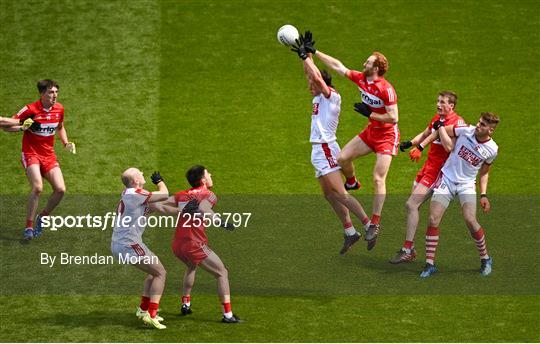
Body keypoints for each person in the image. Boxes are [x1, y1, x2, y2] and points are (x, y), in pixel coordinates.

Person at [299, 32, 399, 250]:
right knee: (337, 172)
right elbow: (337, 66)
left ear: (377, 68)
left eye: (368, 62)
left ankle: (371, 224)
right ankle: (350, 224)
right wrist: (312, 53)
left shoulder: (385, 89)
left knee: (376, 179)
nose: (364, 63)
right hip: (370, 131)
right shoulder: (361, 79)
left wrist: (305, 58)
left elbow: (393, 118)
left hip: (386, 135)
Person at [290, 39, 371, 255]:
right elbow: (312, 75)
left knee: (340, 194)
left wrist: (307, 57)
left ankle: (368, 224)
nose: (308, 85)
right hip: (319, 150)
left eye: (311, 83)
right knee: (329, 195)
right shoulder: (319, 96)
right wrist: (304, 57)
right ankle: (349, 231)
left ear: (320, 84)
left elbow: (316, 77)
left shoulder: (331, 96)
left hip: (325, 148)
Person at [152, 165, 241, 323]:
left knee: (192, 266)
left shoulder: (181, 195)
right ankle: (227, 315)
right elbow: (204, 208)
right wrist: (221, 222)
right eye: (208, 173)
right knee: (222, 273)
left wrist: (160, 183)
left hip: (177, 244)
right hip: (194, 243)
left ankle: (186, 304)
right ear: (203, 180)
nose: (211, 174)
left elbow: (157, 205)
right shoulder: (209, 194)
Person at [418, 112, 500, 278]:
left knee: (470, 220)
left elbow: (484, 172)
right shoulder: (465, 130)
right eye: (479, 121)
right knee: (433, 219)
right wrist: (421, 145)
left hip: (466, 185)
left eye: (483, 125)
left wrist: (483, 195)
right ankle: (429, 264)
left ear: (490, 131)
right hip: (446, 179)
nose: (478, 125)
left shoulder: (492, 149)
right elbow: (440, 131)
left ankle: (485, 258)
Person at [390, 91, 465, 264]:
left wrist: (439, 129)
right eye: (437, 101)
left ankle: (407, 249)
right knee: (412, 207)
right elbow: (425, 134)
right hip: (427, 167)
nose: (438, 105)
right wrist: (410, 143)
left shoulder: (456, 123)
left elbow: (448, 147)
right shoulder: (436, 118)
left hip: (438, 170)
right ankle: (411, 249)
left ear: (451, 106)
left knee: (411, 204)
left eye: (442, 102)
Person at [3, 80, 76, 240]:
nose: (55, 95)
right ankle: (28, 227)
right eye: (51, 92)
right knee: (37, 187)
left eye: (56, 92)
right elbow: (6, 126)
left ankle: (42, 217)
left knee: (61, 189)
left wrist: (65, 143)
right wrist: (24, 126)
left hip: (49, 155)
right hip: (31, 153)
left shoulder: (59, 109)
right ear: (42, 94)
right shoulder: (30, 109)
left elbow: (60, 126)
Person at [111, 168, 169, 329]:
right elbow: (164, 194)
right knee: (160, 273)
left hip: (120, 243)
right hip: (129, 244)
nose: (143, 174)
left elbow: (154, 207)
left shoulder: (128, 194)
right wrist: (159, 181)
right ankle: (151, 314)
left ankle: (143, 309)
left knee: (153, 273)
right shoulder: (136, 194)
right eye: (140, 173)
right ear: (136, 180)